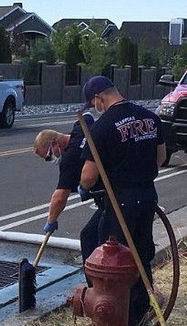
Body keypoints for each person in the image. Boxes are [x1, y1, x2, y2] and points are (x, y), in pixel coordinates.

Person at [79, 76, 166, 326]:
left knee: (115, 258)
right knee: (139, 251)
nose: (94, 107)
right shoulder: (150, 117)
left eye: (93, 103)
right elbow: (160, 158)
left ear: (99, 98)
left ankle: (119, 311)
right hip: (147, 195)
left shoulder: (104, 126)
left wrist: (86, 186)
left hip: (120, 199)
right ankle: (137, 309)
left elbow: (87, 176)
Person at [33, 113, 103, 274]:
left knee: (89, 238)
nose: (52, 159)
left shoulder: (69, 160)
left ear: (55, 143)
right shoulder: (80, 129)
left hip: (111, 194)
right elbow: (87, 116)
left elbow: (60, 196)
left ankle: (94, 283)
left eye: (49, 156)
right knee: (95, 234)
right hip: (113, 186)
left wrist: (51, 220)